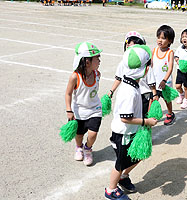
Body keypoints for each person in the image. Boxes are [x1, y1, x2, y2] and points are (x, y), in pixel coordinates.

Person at [105, 45, 157, 200]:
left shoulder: (132, 84)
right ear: (145, 70)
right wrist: (146, 121)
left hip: (129, 131)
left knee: (138, 155)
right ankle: (111, 190)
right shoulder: (129, 92)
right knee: (119, 164)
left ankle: (123, 177)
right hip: (123, 134)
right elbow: (125, 117)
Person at [65, 42, 103, 166]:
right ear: (87, 61)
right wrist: (69, 110)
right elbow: (68, 94)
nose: (99, 60)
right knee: (79, 134)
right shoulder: (75, 77)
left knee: (93, 134)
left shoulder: (97, 74)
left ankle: (87, 149)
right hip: (79, 110)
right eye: (97, 58)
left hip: (95, 109)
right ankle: (79, 147)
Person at [109, 31, 146, 98]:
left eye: (131, 45)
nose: (128, 46)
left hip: (143, 94)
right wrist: (111, 91)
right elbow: (118, 78)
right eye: (127, 45)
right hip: (128, 93)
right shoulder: (123, 62)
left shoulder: (145, 62)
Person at [152, 25, 176, 125]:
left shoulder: (170, 52)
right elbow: (151, 64)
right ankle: (153, 115)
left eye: (163, 38)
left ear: (170, 41)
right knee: (154, 99)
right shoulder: (154, 50)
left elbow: (170, 68)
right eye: (158, 37)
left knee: (167, 100)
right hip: (155, 82)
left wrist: (164, 80)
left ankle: (170, 113)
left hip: (165, 83)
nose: (160, 40)